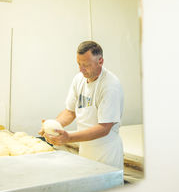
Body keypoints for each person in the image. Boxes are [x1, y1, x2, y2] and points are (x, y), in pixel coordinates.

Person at [39, 41, 124, 169]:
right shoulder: (79, 79)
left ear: (100, 61)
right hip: (85, 148)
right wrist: (53, 126)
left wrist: (69, 138)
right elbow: (70, 112)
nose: (81, 69)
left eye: (86, 65)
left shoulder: (110, 86)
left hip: (106, 153)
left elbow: (104, 128)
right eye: (79, 64)